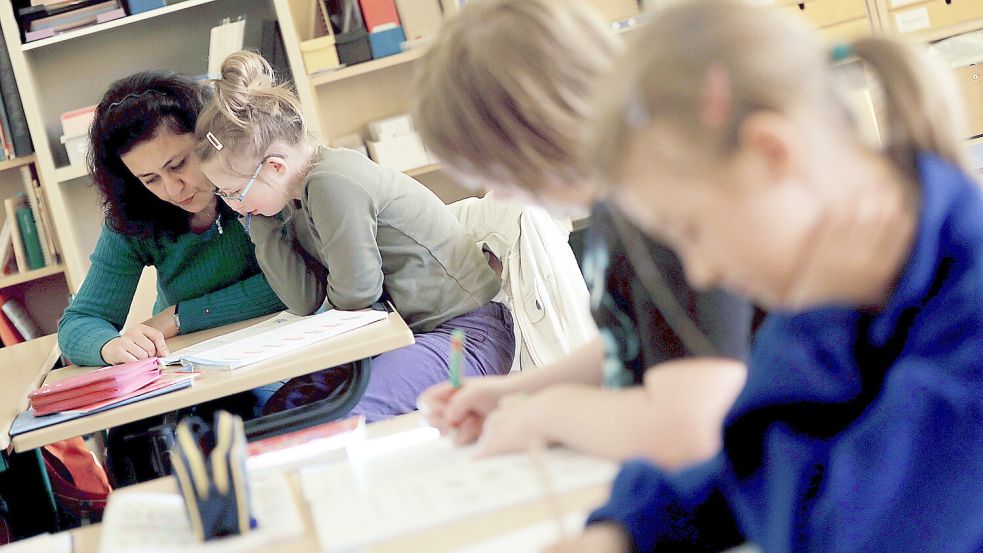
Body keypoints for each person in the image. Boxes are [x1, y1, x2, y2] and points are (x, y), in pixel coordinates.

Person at [556, 1, 983, 551]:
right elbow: (747, 472)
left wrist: (813, 325)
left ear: (770, 152)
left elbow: (832, 532)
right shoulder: (855, 273)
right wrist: (625, 531)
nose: (701, 270)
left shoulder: (943, 314)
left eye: (691, 229)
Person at [412, 0, 751, 465]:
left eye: (499, 171)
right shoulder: (619, 203)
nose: (502, 191)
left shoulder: (659, 208)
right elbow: (643, 338)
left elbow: (690, 431)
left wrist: (548, 414)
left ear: (532, 137)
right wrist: (515, 391)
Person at [192, 51, 515, 423]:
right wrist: (260, 222)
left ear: (276, 167)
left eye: (232, 191)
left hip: (466, 338)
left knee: (333, 418)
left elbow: (358, 293)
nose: (231, 205)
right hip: (415, 338)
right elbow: (305, 299)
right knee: (284, 411)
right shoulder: (293, 199)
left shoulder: (331, 182)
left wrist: (255, 202)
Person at [58, 70, 287, 368]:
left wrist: (178, 317)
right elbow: (79, 323)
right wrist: (110, 346)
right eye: (150, 179)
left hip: (289, 350)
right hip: (194, 371)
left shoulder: (261, 177)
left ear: (209, 138)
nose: (172, 189)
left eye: (178, 164)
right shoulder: (133, 218)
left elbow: (302, 280)